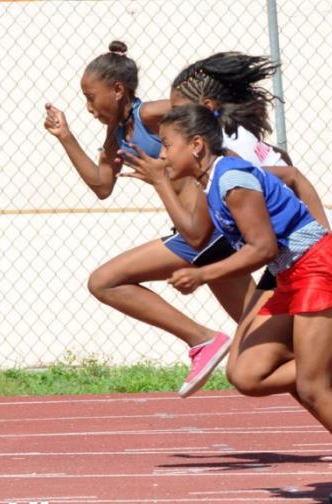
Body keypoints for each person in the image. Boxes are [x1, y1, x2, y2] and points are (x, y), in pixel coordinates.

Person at [123, 103, 332, 503]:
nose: (162, 153)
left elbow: (262, 248)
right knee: (247, 374)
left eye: (167, 144)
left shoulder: (232, 180)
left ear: (197, 145)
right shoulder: (215, 180)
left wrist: (203, 275)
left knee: (312, 387)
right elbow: (196, 236)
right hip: (290, 275)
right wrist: (160, 182)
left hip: (319, 268)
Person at [43, 41, 246, 398]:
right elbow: (102, 185)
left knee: (105, 281)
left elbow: (199, 110)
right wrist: (66, 137)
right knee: (261, 327)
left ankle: (202, 339)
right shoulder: (116, 135)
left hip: (202, 230)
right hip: (204, 238)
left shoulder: (150, 115)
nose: (89, 108)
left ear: (117, 90)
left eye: (91, 97)